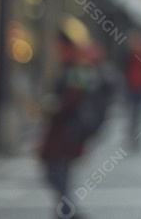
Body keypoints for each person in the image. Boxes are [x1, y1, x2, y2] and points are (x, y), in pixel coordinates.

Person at [39, 24, 111, 218]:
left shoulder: (79, 64)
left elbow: (74, 96)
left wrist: (55, 106)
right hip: (66, 126)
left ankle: (67, 208)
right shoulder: (75, 63)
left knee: (58, 168)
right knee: (59, 169)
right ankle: (66, 207)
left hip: (69, 126)